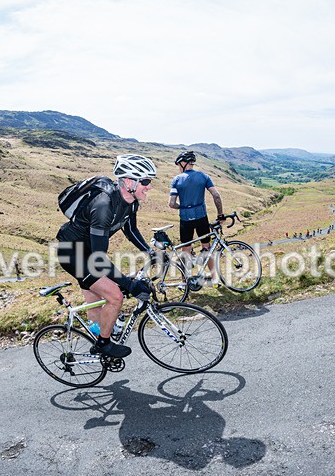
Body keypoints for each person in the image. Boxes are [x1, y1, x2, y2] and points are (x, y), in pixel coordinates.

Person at [56, 154, 155, 359]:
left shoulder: (131, 201)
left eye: (149, 181)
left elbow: (130, 229)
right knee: (115, 296)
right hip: (74, 255)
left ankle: (93, 344)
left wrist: (150, 252)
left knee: (98, 304)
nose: (149, 187)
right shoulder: (103, 205)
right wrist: (129, 284)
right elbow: (99, 260)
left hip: (89, 253)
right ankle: (103, 344)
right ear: (129, 181)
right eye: (145, 181)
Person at [168, 151, 224, 281]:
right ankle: (214, 278)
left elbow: (171, 204)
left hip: (185, 219)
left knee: (185, 251)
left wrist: (182, 207)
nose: (178, 167)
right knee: (207, 247)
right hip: (201, 217)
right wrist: (220, 214)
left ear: (183, 163)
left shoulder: (176, 180)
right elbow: (216, 195)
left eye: (178, 164)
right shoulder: (204, 176)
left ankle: (185, 282)